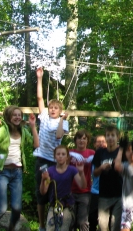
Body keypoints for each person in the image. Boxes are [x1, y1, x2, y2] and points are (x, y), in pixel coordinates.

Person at [0, 106, 39, 231]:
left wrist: (33, 127)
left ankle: (11, 228)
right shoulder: (3, 130)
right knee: (1, 208)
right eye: (15, 115)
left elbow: (36, 145)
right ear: (9, 117)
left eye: (19, 115)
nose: (17, 117)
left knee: (17, 208)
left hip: (17, 173)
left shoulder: (23, 131)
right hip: (2, 172)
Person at [34, 67, 70, 231]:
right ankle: (42, 225)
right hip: (42, 159)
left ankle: (54, 222)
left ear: (60, 111)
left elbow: (59, 135)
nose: (53, 109)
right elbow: (40, 98)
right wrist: (39, 78)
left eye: (56, 108)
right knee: (41, 192)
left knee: (54, 191)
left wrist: (62, 119)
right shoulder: (44, 117)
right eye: (51, 107)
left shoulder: (63, 123)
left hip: (55, 162)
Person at [40, 145, 86, 231]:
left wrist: (81, 172)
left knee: (63, 227)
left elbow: (82, 186)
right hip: (54, 205)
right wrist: (43, 179)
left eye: (63, 154)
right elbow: (43, 191)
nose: (60, 156)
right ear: (55, 156)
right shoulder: (50, 171)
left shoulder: (72, 170)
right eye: (58, 154)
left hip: (67, 205)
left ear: (67, 157)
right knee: (50, 228)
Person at [92, 125, 123, 231]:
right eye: (108, 135)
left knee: (116, 225)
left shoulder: (121, 152)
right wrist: (101, 168)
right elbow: (95, 173)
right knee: (102, 226)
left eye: (113, 135)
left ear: (117, 137)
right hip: (104, 195)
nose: (110, 138)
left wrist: (117, 167)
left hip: (119, 194)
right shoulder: (100, 152)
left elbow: (128, 172)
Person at [70, 130, 95, 231]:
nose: (81, 140)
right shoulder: (69, 153)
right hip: (71, 190)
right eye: (79, 138)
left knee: (83, 222)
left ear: (87, 141)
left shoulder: (91, 153)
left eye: (84, 138)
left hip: (85, 192)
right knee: (70, 221)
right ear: (75, 140)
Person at [89, 134, 107, 231]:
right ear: (94, 144)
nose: (101, 144)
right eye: (98, 142)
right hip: (95, 191)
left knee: (105, 221)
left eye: (103, 142)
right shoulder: (91, 158)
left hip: (107, 193)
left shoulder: (111, 156)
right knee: (92, 219)